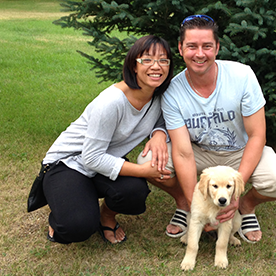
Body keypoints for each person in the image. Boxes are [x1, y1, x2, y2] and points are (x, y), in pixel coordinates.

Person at [140, 15, 276, 243]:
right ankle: (184, 205)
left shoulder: (242, 76)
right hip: (199, 152)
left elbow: (257, 136)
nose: (200, 54)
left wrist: (235, 194)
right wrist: (197, 204)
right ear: (181, 48)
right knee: (149, 163)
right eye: (192, 46)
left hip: (240, 151)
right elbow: (183, 153)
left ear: (217, 48)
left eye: (207, 46)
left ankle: (245, 206)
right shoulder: (173, 90)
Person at [42, 35, 187, 244]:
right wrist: (144, 171)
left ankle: (106, 215)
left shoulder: (159, 94)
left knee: (134, 192)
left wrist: (158, 134)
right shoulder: (111, 102)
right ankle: (65, 207)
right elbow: (91, 158)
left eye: (163, 60)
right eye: (147, 60)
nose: (156, 66)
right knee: (76, 226)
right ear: (133, 65)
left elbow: (166, 118)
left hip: (104, 161)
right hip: (68, 163)